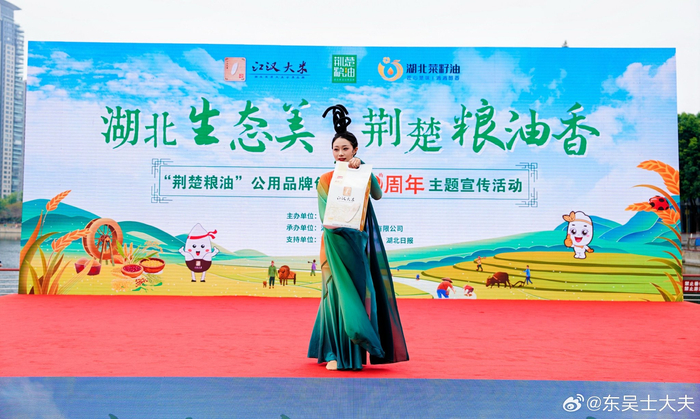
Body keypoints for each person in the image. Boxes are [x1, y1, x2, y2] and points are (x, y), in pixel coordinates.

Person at [308, 104, 409, 371]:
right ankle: (334, 353)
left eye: (345, 149)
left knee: (362, 297)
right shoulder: (325, 180)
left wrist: (363, 169)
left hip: (359, 246)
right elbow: (326, 218)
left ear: (355, 150)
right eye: (336, 149)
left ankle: (354, 352)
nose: (340, 153)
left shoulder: (362, 174)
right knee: (335, 298)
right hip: (334, 245)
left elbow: (377, 195)